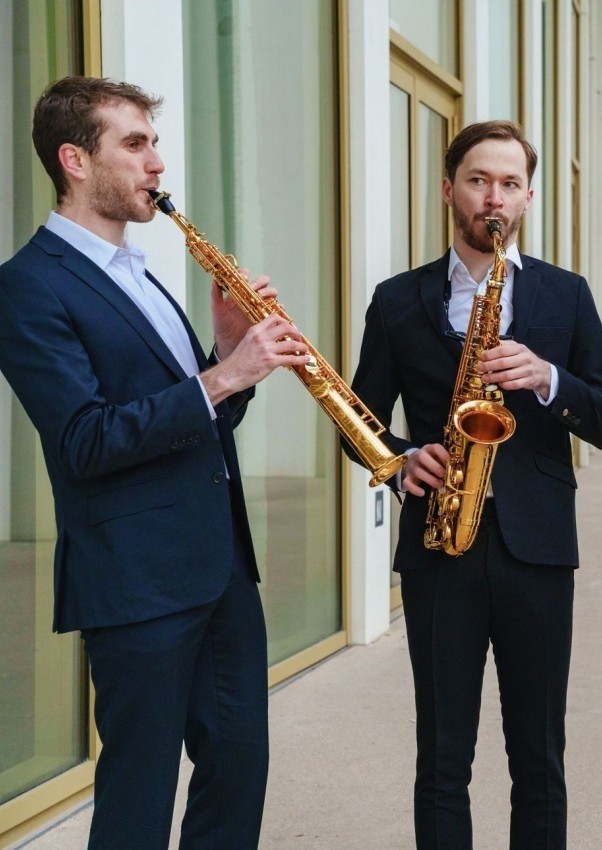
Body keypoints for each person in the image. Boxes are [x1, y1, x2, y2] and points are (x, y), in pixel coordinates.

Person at [0, 77, 311, 848]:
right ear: (75, 160)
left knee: (238, 771)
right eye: (134, 145)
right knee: (138, 796)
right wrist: (222, 377)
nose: (157, 164)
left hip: (220, 568)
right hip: (135, 581)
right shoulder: (26, 286)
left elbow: (195, 422)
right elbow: (83, 440)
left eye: (155, 143)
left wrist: (229, 353)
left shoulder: (140, 270)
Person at [346, 120, 602, 849]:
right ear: (449, 190)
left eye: (508, 184)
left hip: (537, 550)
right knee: (441, 757)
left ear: (528, 198)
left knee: (539, 755)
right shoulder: (397, 300)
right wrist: (402, 459)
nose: (492, 197)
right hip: (441, 548)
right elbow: (359, 423)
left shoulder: (564, 296)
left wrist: (548, 378)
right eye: (478, 180)